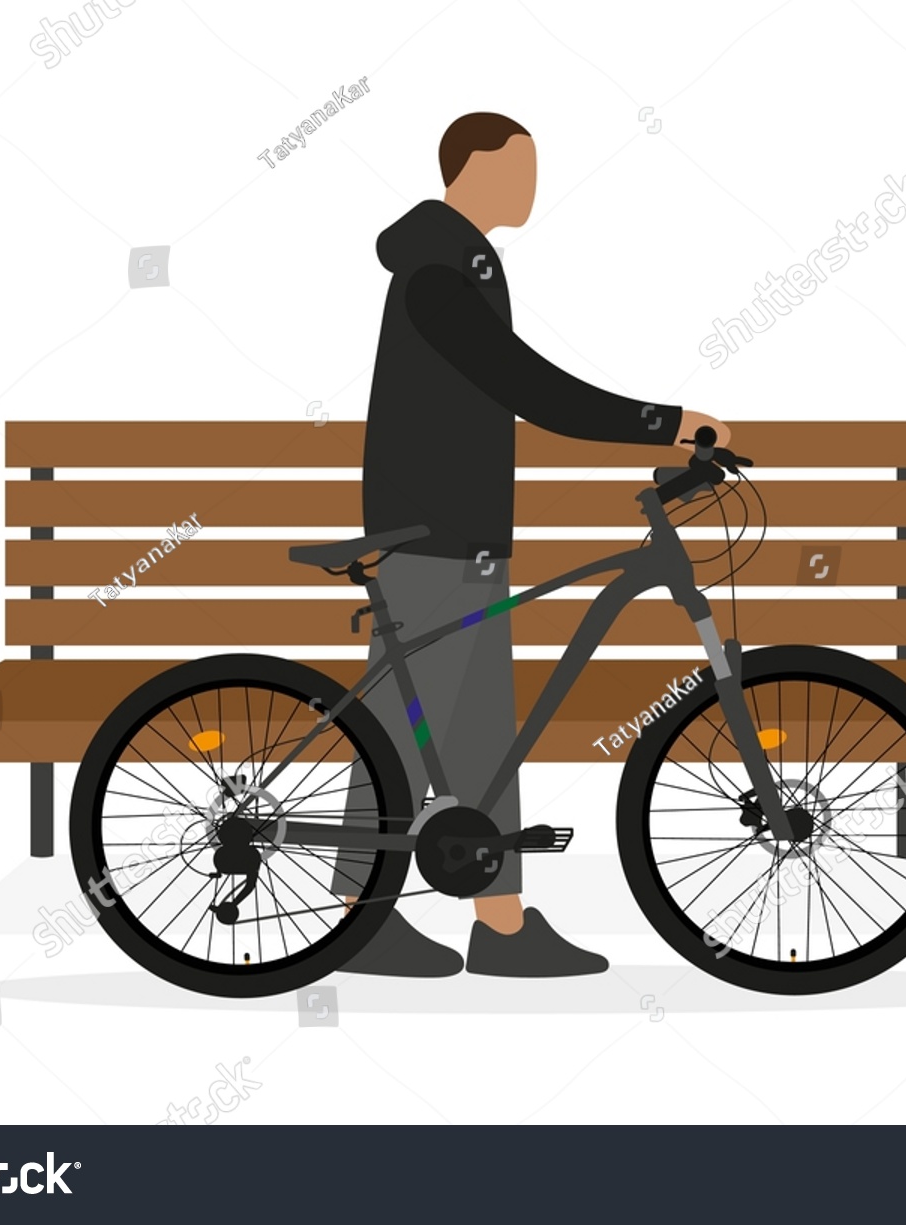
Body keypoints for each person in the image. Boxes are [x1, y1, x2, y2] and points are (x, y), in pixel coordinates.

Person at [333, 112, 729, 977]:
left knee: (472, 725)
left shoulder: (455, 257)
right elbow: (519, 382)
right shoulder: (438, 269)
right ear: (470, 167)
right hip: (431, 530)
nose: (531, 184)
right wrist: (662, 424)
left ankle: (500, 922)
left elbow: (506, 383)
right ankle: (376, 920)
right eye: (518, 168)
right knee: (414, 723)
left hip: (460, 527)